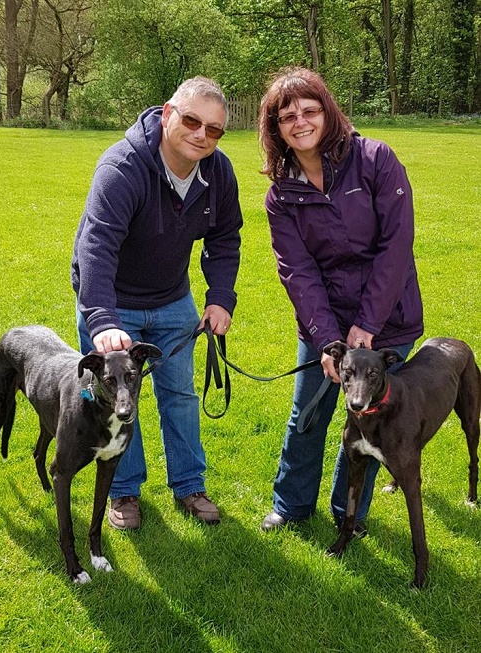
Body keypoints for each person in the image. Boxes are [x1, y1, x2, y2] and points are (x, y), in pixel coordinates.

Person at [258, 67, 423, 533]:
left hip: (389, 317)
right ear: (275, 129)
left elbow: (396, 246)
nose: (300, 122)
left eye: (309, 111)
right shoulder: (280, 195)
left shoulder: (375, 159)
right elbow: (298, 270)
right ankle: (290, 506)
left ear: (327, 113)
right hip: (322, 322)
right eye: (287, 116)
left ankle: (347, 513)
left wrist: (367, 326)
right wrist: (330, 341)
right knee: (307, 413)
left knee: (375, 420)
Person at [72, 77, 242, 529]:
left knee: (180, 395)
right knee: (115, 400)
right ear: (168, 115)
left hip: (172, 300)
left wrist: (221, 297)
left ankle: (189, 485)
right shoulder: (122, 167)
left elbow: (224, 239)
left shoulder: (217, 172)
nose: (201, 135)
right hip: (113, 301)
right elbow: (97, 247)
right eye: (191, 121)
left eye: (214, 129)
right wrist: (103, 319)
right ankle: (123, 493)